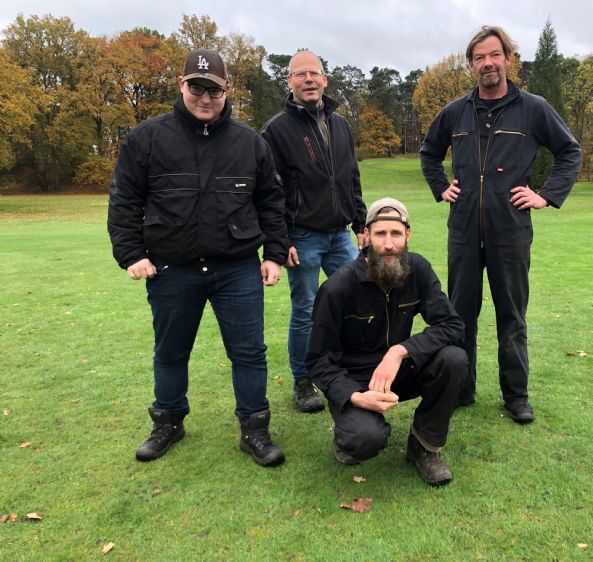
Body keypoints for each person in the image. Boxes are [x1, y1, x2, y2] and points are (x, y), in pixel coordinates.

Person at [107, 48, 289, 467]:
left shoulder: (251, 143)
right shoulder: (147, 138)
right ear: (181, 85)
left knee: (249, 353)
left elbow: (272, 203)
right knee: (170, 352)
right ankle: (168, 423)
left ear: (228, 89)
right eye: (196, 87)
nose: (205, 97)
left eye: (215, 89)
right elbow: (124, 201)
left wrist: (274, 255)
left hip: (237, 267)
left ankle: (255, 430)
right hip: (172, 268)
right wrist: (132, 253)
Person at [419, 26, 581, 423]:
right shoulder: (455, 112)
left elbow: (569, 152)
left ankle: (516, 396)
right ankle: (461, 387)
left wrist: (544, 195)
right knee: (460, 315)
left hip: (510, 233)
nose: (487, 63)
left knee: (512, 317)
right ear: (471, 64)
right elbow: (428, 152)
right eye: (479, 57)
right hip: (463, 234)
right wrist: (442, 188)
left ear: (508, 58)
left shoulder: (534, 108)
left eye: (494, 55)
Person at [306, 198, 467, 486]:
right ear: (366, 237)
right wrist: (353, 396)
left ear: (408, 234)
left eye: (395, 233)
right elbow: (318, 360)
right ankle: (348, 437)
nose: (389, 244)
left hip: (399, 372)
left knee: (454, 359)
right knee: (365, 440)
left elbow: (453, 325)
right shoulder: (337, 287)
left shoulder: (417, 269)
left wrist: (401, 351)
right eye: (380, 234)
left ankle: (424, 447)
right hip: (356, 381)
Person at [261, 50, 366, 414]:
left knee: (355, 299)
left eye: (314, 73)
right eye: (300, 74)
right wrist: (279, 242)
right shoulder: (275, 130)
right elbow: (269, 192)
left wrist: (360, 223)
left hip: (340, 234)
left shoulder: (341, 125)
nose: (308, 79)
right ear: (288, 82)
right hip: (301, 236)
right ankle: (303, 381)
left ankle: (350, 369)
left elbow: (351, 177)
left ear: (325, 80)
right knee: (305, 310)